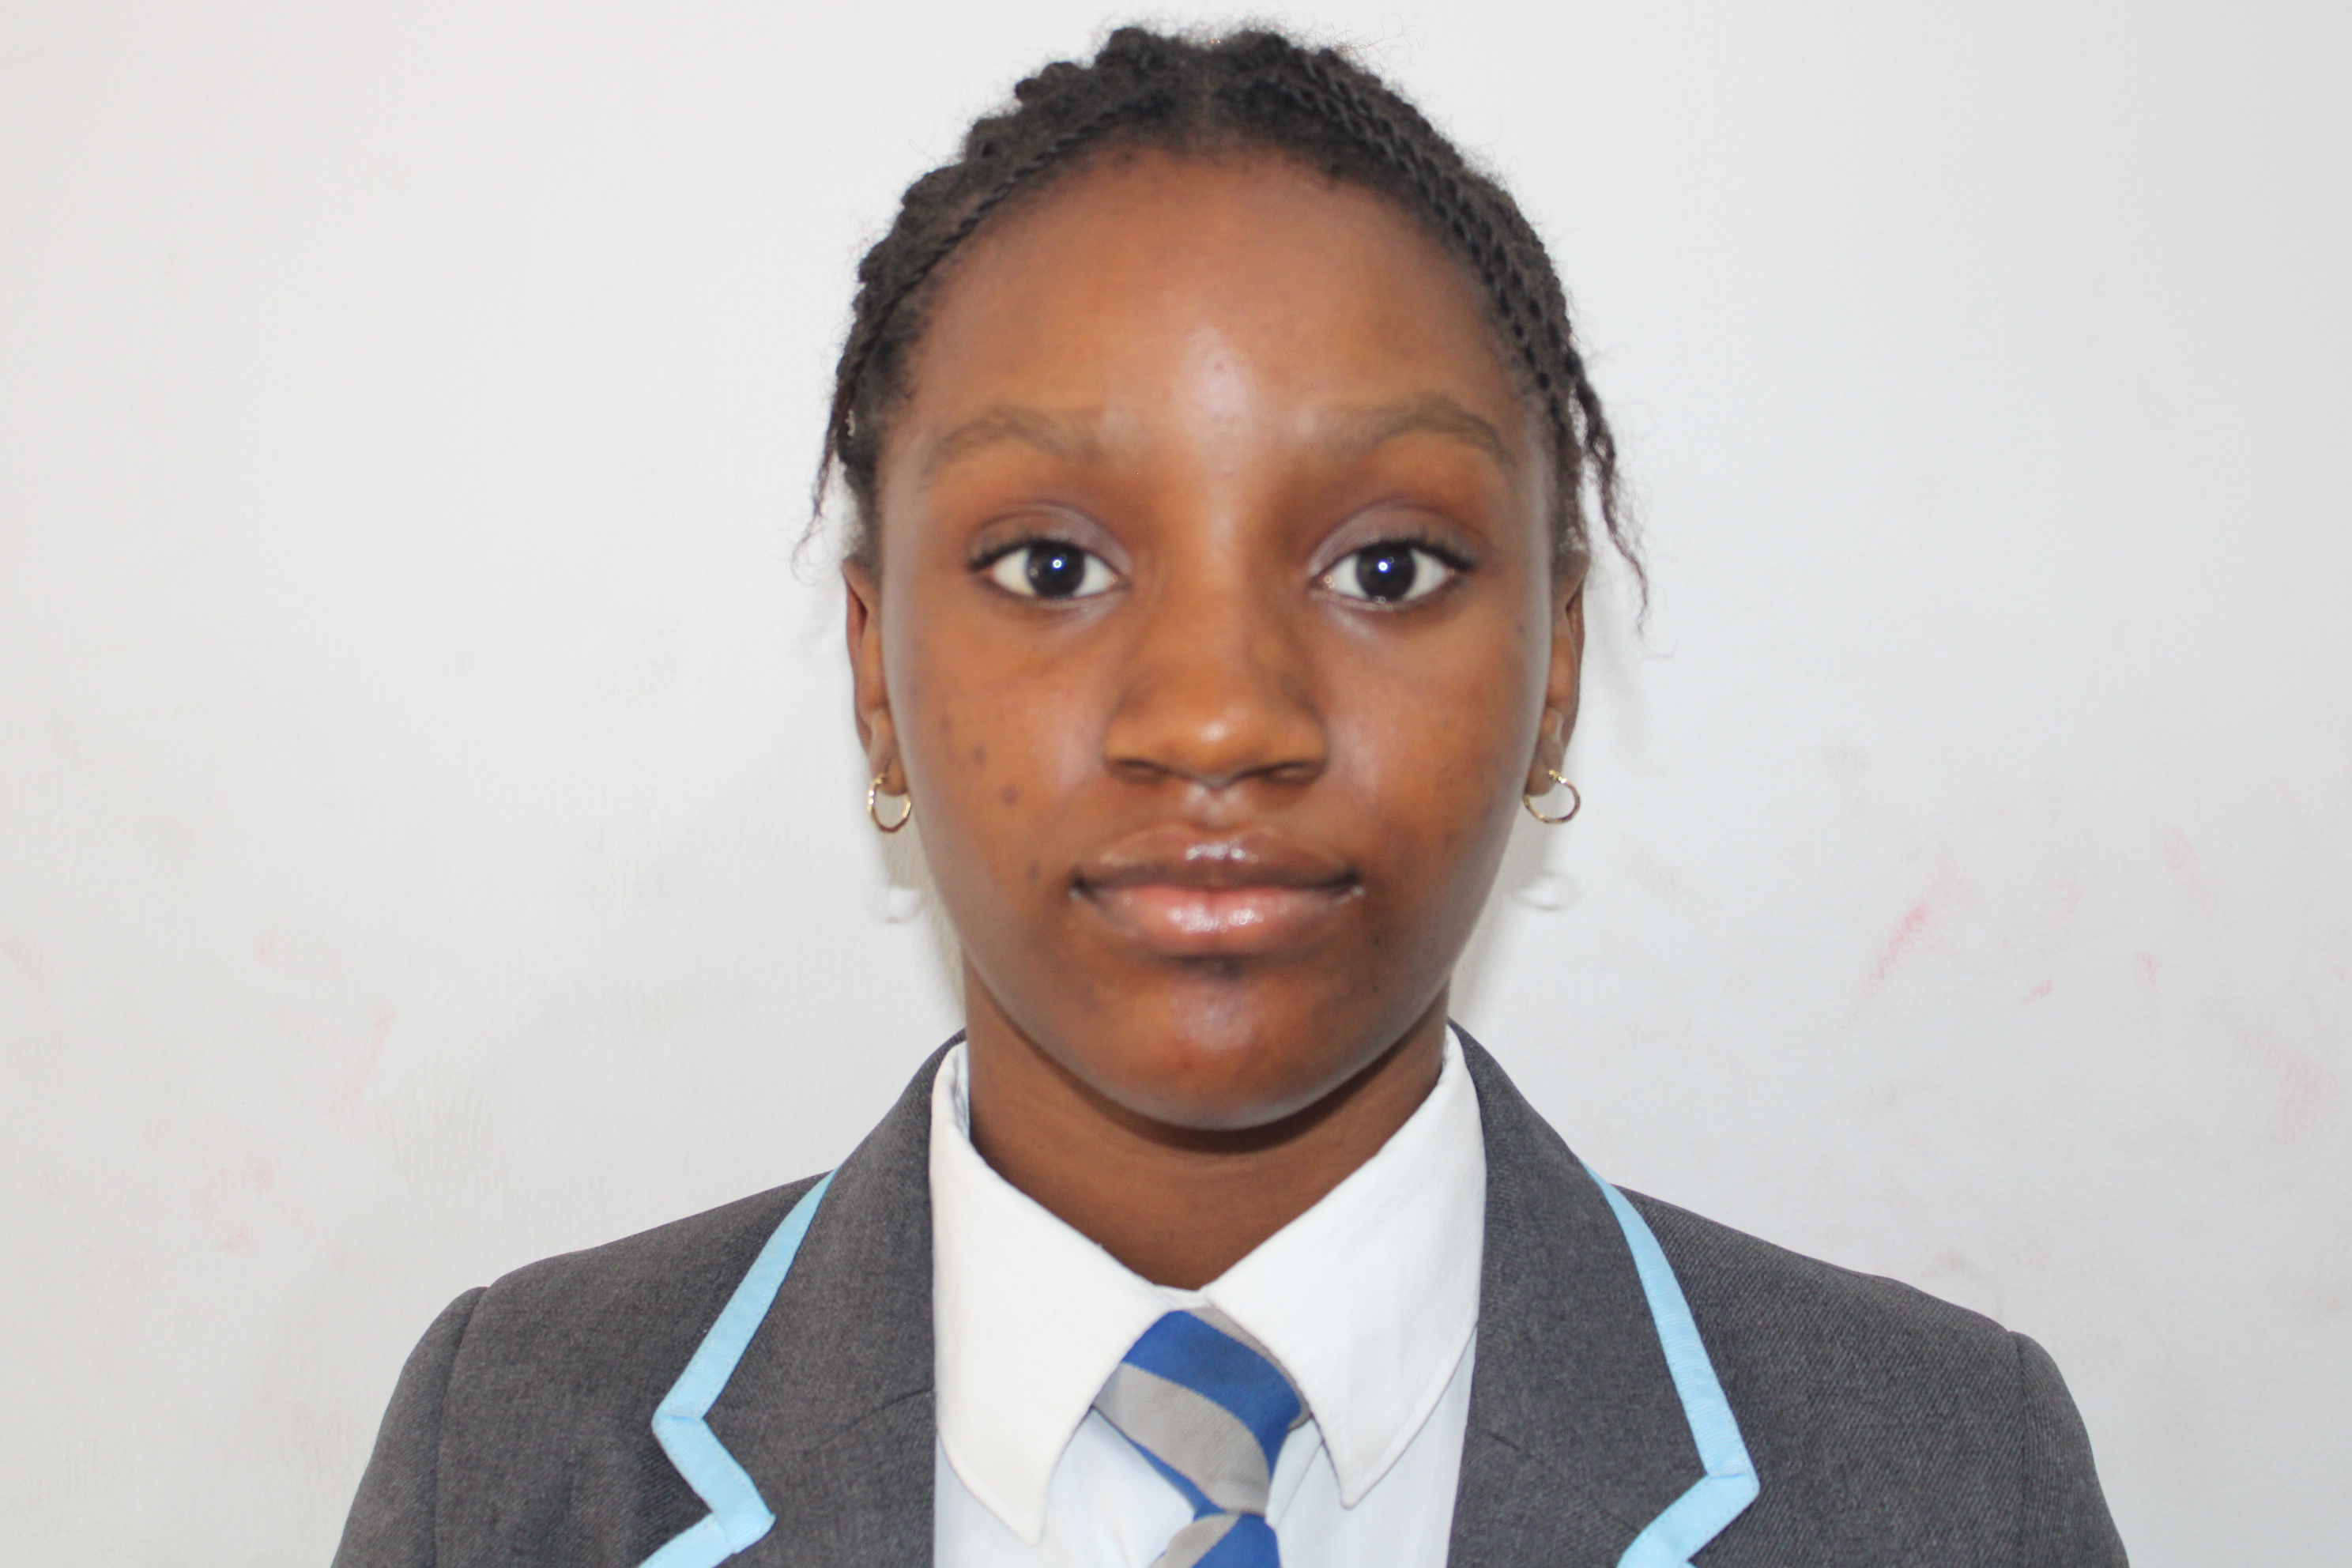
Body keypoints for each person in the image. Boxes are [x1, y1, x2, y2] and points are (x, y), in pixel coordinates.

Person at [332, 25, 2126, 1568]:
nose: (1217, 718)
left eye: (1388, 568)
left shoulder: (1952, 1483)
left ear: (1556, 668)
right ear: (876, 674)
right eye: (1049, 566)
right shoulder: (517, 1453)